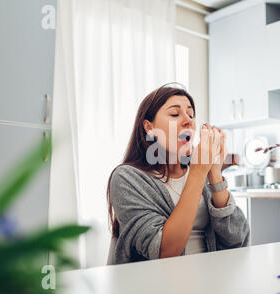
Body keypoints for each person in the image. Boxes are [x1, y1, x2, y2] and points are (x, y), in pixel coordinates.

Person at [106, 83, 250, 265]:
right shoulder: (127, 178)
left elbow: (238, 240)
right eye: (175, 114)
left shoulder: (201, 170)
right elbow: (163, 251)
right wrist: (198, 173)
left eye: (191, 114)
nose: (188, 120)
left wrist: (214, 175)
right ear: (149, 127)